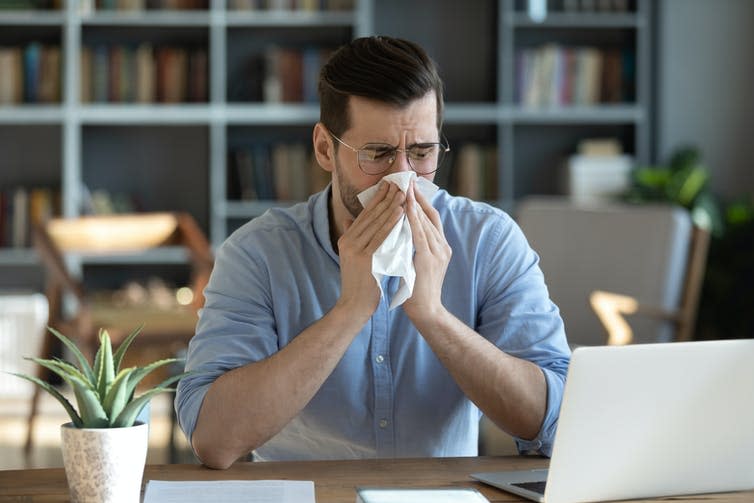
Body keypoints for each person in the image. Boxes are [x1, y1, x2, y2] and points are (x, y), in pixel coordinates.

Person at [175, 36, 570, 470]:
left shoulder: (489, 241)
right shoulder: (257, 253)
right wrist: (350, 309)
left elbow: (551, 422)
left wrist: (434, 316)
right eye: (378, 154)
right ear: (326, 149)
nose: (402, 178)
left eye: (421, 153)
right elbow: (213, 439)